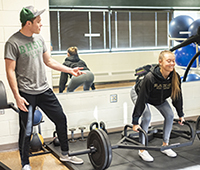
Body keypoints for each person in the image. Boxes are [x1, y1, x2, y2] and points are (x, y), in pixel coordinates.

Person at [4, 6, 84, 170]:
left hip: (44, 90)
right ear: (28, 23)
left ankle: (65, 154)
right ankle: (25, 163)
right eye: (38, 22)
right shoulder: (13, 42)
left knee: (61, 119)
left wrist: (70, 70)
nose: (41, 25)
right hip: (26, 93)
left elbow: (49, 62)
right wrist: (17, 96)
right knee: (26, 130)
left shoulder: (39, 40)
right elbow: (10, 71)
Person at [130, 50, 185, 162]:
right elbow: (141, 100)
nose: (172, 64)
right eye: (168, 61)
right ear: (160, 62)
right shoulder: (150, 77)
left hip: (157, 98)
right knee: (147, 117)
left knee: (169, 115)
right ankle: (142, 149)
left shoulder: (175, 77)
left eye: (173, 61)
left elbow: (177, 96)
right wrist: (135, 122)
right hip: (139, 94)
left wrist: (180, 114)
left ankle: (165, 145)